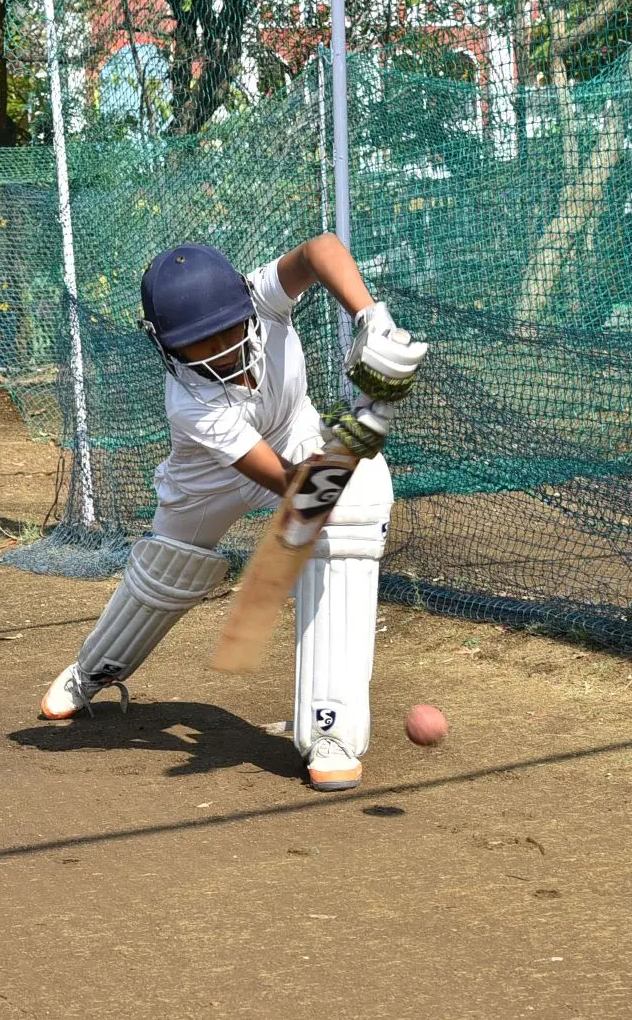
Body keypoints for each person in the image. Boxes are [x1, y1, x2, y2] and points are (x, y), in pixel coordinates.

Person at [37, 235, 428, 791]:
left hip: (294, 438)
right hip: (209, 479)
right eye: (198, 342)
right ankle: (89, 673)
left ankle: (331, 730)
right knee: (166, 575)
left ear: (245, 302)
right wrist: (360, 429)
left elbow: (318, 250)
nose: (220, 349)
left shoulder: (262, 296)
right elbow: (291, 487)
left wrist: (371, 317)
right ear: (168, 346)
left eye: (227, 329)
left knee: (356, 498)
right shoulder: (190, 401)